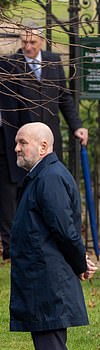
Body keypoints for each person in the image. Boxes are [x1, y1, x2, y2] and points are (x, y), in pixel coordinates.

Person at [10, 122, 97, 350]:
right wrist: (80, 261)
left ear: (44, 146)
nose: (16, 148)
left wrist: (80, 263)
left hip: (48, 283)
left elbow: (66, 231)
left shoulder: (49, 178)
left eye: (22, 142)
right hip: (43, 281)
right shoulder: (41, 176)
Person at [10, 25, 89, 160]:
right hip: (24, 142)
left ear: (42, 41)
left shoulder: (53, 60)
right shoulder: (11, 64)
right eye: (24, 42)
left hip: (50, 138)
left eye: (32, 42)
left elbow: (64, 97)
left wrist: (77, 126)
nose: (28, 47)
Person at [0, 58, 26, 260]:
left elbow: (23, 108)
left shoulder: (9, 69)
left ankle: (9, 247)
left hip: (4, 143)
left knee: (8, 196)